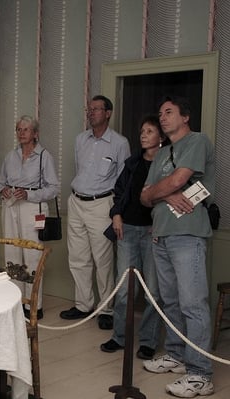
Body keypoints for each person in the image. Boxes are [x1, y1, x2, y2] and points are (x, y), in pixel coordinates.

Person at [140, 96, 215, 397]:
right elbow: (144, 196)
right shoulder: (161, 153)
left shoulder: (197, 141)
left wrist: (162, 191)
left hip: (187, 234)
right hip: (160, 234)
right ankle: (176, 354)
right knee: (169, 301)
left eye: (169, 112)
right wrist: (165, 193)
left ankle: (200, 374)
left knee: (193, 304)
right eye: (160, 114)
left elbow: (179, 180)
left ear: (185, 117)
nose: (163, 117)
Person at [60, 95, 131, 330]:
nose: (91, 113)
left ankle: (107, 309)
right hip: (76, 201)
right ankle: (83, 305)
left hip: (102, 204)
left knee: (103, 260)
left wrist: (117, 211)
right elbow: (81, 171)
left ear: (108, 113)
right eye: (89, 109)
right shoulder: (81, 139)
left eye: (96, 109)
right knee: (78, 258)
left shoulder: (120, 143)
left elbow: (124, 181)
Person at [100, 115, 166, 360]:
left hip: (153, 232)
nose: (143, 135)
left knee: (152, 290)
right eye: (142, 131)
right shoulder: (133, 163)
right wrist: (116, 215)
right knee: (125, 288)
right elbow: (119, 193)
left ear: (161, 137)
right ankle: (120, 337)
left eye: (149, 131)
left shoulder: (167, 164)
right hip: (126, 229)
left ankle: (148, 341)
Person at [0, 115, 60, 320]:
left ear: (35, 133)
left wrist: (29, 194)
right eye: (18, 129)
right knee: (12, 253)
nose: (21, 133)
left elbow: (54, 189)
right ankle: (16, 301)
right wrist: (3, 191)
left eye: (25, 129)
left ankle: (34, 304)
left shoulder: (44, 156)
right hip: (11, 207)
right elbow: (0, 183)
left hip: (34, 209)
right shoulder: (10, 156)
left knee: (32, 256)